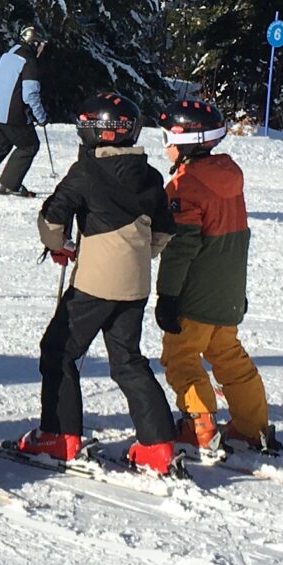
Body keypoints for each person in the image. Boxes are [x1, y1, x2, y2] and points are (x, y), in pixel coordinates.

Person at [14, 92, 183, 474]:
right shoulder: (150, 174)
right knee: (128, 361)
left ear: (98, 133)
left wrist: (61, 246)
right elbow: (164, 231)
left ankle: (60, 435)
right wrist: (137, 256)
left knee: (58, 350)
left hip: (95, 284)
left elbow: (52, 220)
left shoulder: (87, 172)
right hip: (136, 285)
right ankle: (158, 444)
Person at [152, 98, 277, 458]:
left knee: (181, 357)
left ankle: (200, 424)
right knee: (228, 356)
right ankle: (253, 426)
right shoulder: (228, 175)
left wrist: (168, 296)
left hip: (196, 296)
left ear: (187, 141)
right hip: (227, 293)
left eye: (168, 138)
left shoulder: (185, 187)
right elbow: (237, 239)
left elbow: (180, 249)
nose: (167, 147)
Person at [0, 24, 47, 198]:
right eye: (41, 44)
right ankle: (10, 184)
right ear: (34, 43)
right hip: (11, 114)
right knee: (29, 145)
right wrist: (41, 116)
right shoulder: (29, 60)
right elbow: (30, 93)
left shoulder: (10, 54)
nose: (42, 49)